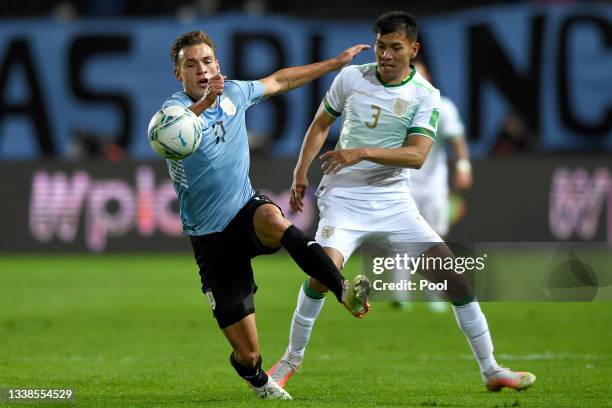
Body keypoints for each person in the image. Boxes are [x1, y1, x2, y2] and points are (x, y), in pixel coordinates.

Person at [268, 11, 536, 393]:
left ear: (414, 49)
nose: (386, 54)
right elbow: (321, 124)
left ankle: (491, 369)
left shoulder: (425, 96)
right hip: (344, 197)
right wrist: (299, 173)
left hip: (394, 202)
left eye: (396, 47)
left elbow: (417, 155)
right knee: (322, 273)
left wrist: (361, 151)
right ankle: (289, 361)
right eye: (380, 46)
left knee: (456, 281)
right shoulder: (351, 78)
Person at [158, 30, 371, 400]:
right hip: (211, 238)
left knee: (274, 220)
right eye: (190, 65)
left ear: (218, 65)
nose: (201, 69)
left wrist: (334, 64)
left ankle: (342, 290)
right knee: (248, 353)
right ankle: (257, 379)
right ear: (179, 75)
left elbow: (280, 80)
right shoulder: (173, 114)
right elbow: (166, 135)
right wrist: (204, 103)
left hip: (245, 209)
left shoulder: (235, 93)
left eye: (207, 61)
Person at [393, 59, 473, 313]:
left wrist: (463, 166)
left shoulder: (443, 105)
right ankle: (399, 295)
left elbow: (456, 139)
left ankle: (436, 295)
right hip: (401, 184)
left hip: (433, 187)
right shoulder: (395, 105)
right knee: (400, 238)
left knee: (435, 240)